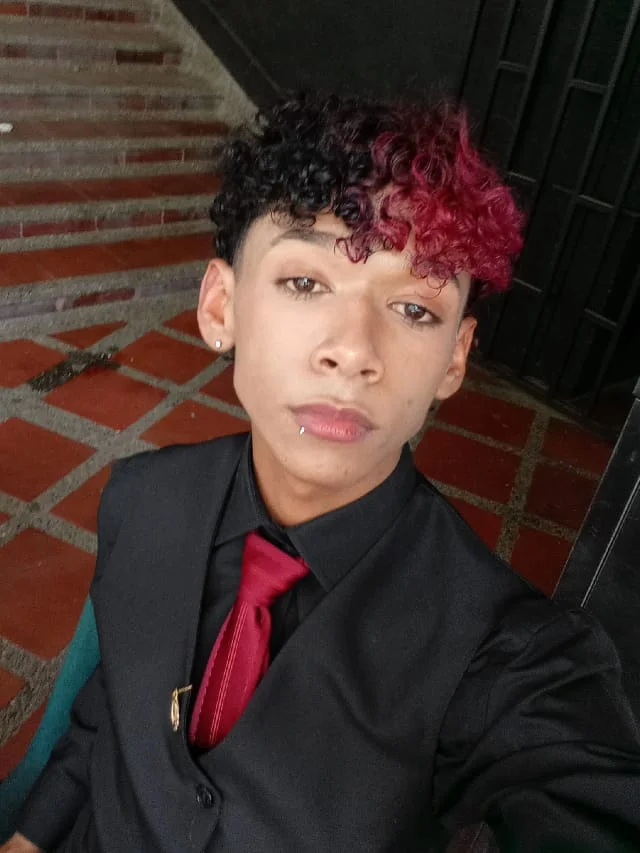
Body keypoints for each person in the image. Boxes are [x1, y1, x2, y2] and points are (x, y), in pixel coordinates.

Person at [3, 92, 640, 853]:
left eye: (414, 309)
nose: (353, 350)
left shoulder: (508, 654)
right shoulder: (141, 498)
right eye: (305, 283)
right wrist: (30, 838)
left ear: (455, 360)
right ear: (222, 307)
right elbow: (113, 704)